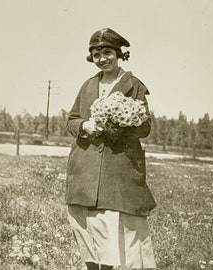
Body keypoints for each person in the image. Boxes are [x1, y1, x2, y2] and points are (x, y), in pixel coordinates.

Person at [66, 28, 157, 270]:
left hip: (117, 168)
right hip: (86, 166)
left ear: (119, 54)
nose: (102, 58)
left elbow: (145, 127)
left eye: (107, 52)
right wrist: (86, 124)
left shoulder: (133, 85)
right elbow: (71, 120)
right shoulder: (88, 85)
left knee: (112, 224)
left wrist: (122, 122)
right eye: (96, 54)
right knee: (86, 226)